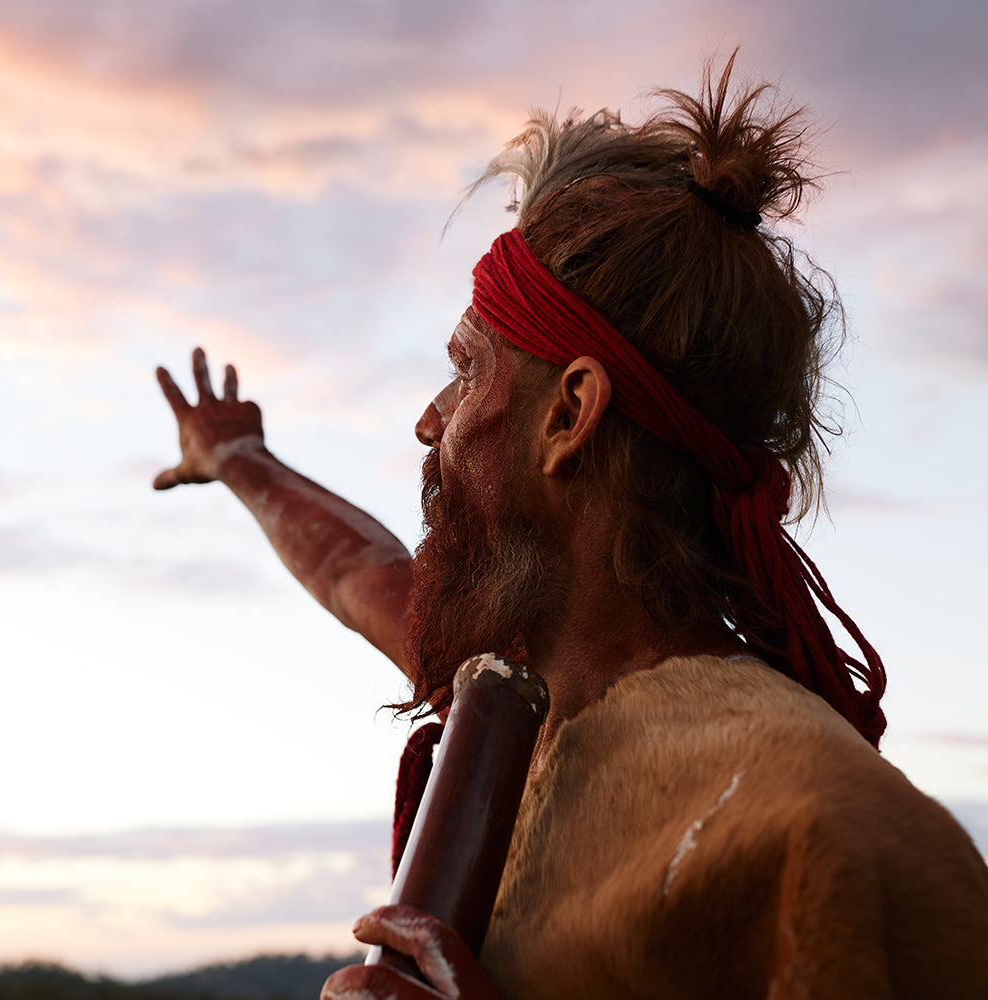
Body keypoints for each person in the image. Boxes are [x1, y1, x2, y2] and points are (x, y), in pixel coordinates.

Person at [155, 56, 988, 999]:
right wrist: (240, 460)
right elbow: (359, 570)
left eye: (466, 369)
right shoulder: (518, 680)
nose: (431, 419)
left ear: (569, 413)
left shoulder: (828, 829)